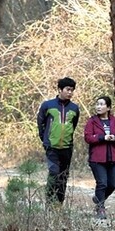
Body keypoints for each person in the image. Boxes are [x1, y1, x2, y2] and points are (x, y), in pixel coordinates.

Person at [37, 77, 80, 205]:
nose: (70, 92)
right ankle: (49, 202)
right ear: (60, 89)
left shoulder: (74, 108)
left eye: (72, 90)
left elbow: (74, 125)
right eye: (67, 89)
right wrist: (46, 140)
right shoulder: (47, 105)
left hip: (67, 147)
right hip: (51, 146)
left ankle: (59, 203)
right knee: (54, 172)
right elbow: (41, 124)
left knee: (63, 176)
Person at [83, 95, 115, 219]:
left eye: (102, 104)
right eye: (97, 104)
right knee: (102, 183)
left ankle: (98, 198)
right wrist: (101, 137)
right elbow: (88, 137)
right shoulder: (92, 121)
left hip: (113, 157)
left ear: (108, 107)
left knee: (112, 185)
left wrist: (114, 138)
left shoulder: (113, 120)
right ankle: (100, 208)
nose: (99, 107)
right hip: (97, 158)